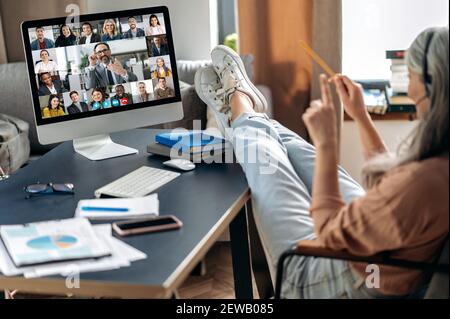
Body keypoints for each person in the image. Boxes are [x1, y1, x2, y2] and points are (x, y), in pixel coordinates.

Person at [194, 27, 448, 299]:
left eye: (410, 77)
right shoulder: (437, 166)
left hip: (331, 279)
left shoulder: (424, 183)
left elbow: (329, 232)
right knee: (292, 149)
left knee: (268, 162)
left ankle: (238, 107)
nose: (408, 89)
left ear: (433, 85)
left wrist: (327, 145)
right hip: (379, 251)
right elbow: (390, 185)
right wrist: (360, 116)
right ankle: (246, 117)